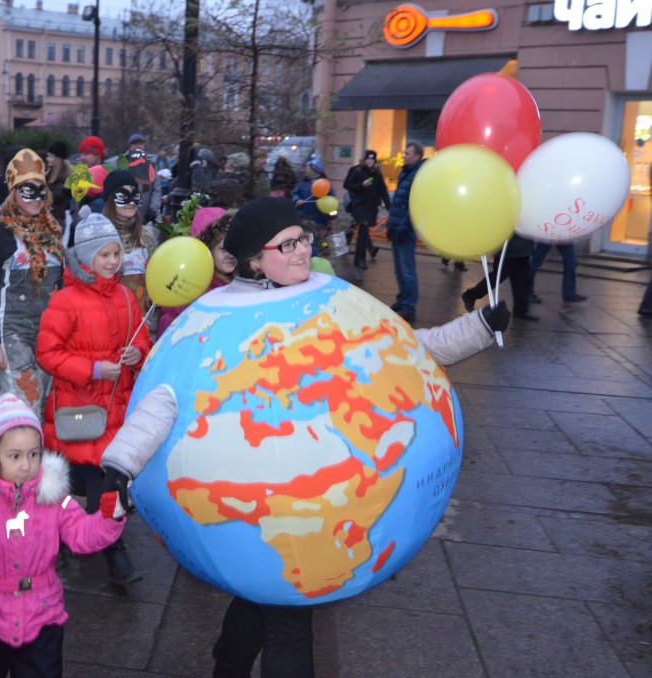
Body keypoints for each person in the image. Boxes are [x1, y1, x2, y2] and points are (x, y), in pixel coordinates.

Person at [94, 197, 510, 677]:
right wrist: (120, 466)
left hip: (324, 498)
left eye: (303, 239)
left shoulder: (331, 296)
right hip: (272, 506)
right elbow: (163, 401)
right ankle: (229, 662)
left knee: (268, 598)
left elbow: (402, 346)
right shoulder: (214, 319)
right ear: (253, 259)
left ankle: (228, 663)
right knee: (287, 616)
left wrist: (478, 328)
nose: (300, 251)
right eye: (286, 244)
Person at [0, 392, 128, 677]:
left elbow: (82, 534)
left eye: (33, 454)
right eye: (14, 456)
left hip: (41, 616)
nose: (26, 465)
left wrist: (109, 518)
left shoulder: (52, 496)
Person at [36, 213, 152, 586]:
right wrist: (94, 370)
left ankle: (104, 546)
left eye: (116, 253)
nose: (113, 261)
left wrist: (138, 353)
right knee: (91, 479)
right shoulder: (65, 301)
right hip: (80, 408)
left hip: (117, 409)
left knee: (107, 479)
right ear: (86, 259)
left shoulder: (124, 295)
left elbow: (140, 336)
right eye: (104, 254)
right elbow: (48, 354)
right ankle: (108, 552)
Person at [0, 149, 64, 418]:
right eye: (28, 190)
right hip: (12, 333)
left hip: (50, 334)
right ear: (13, 192)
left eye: (41, 191)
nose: (36, 199)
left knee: (48, 406)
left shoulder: (53, 231)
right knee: (25, 406)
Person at [156, 207, 236, 336]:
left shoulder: (237, 281)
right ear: (207, 249)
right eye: (223, 249)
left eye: (234, 246)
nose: (231, 254)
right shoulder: (190, 291)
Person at [100, 171, 159, 325]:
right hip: (107, 319)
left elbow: (155, 278)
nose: (131, 202)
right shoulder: (99, 235)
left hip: (141, 322)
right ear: (111, 199)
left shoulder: (146, 236)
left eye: (135, 194)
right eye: (123, 195)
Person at [386, 142, 425, 322]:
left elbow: (416, 204)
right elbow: (398, 204)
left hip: (405, 229)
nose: (404, 155)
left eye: (408, 153)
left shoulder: (418, 175)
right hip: (396, 226)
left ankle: (409, 306)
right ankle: (402, 300)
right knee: (399, 270)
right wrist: (391, 226)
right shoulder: (406, 171)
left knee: (407, 270)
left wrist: (404, 226)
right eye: (404, 152)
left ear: (417, 156)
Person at [461, 234, 537, 321]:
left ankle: (521, 310)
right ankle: (471, 295)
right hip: (508, 248)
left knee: (522, 280)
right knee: (497, 277)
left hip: (522, 249)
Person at [342, 150, 390, 270]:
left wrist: (389, 206)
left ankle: (358, 259)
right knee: (363, 229)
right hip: (358, 205)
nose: (369, 161)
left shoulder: (377, 174)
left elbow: (382, 190)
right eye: (368, 159)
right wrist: (361, 185)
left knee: (363, 233)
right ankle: (361, 259)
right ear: (364, 159)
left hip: (371, 207)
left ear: (375, 161)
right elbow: (347, 185)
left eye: (372, 159)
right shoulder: (357, 170)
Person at [45, 141, 72, 225]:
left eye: (51, 156)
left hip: (56, 221)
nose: (47, 159)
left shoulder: (64, 178)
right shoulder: (49, 174)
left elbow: (53, 197)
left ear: (58, 159)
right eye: (48, 156)